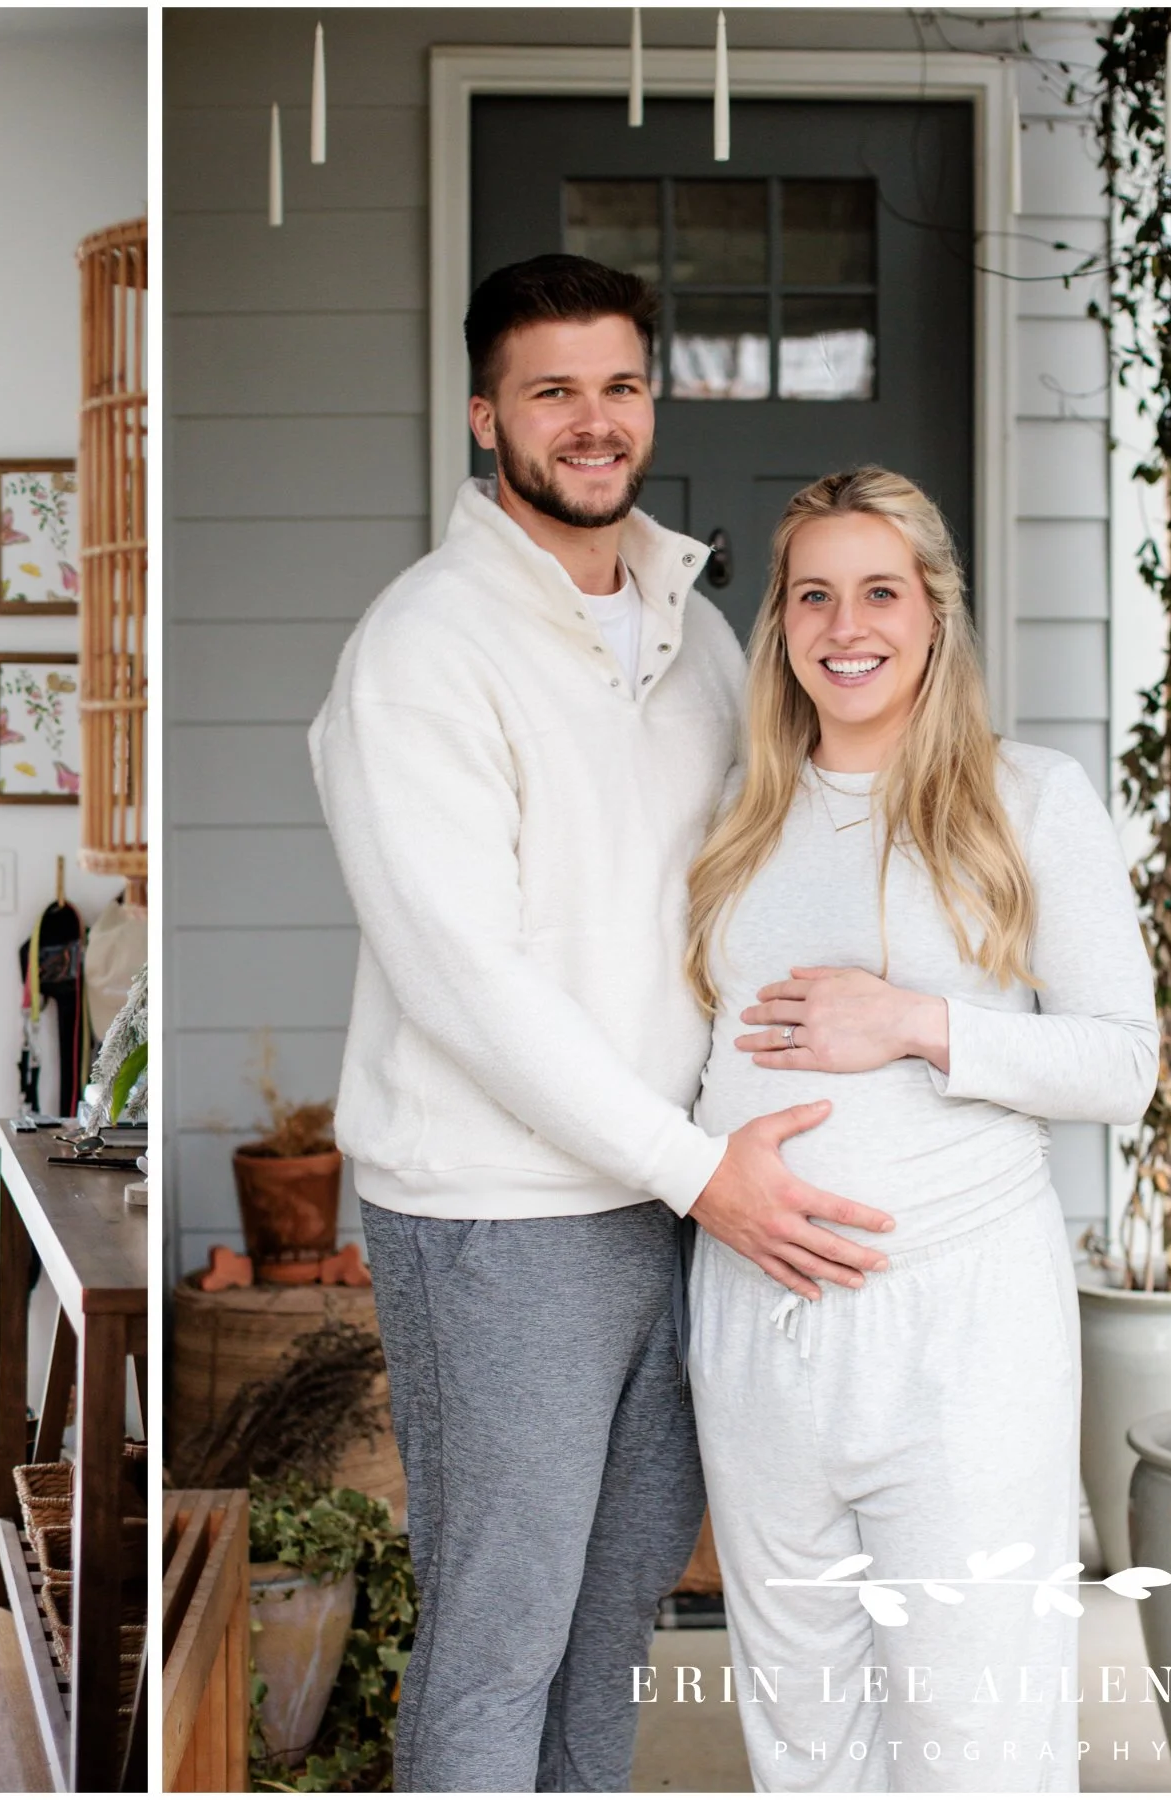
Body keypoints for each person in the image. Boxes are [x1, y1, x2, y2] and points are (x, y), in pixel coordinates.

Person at [309, 253, 896, 1793]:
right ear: (483, 414)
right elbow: (466, 979)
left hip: (678, 1202)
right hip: (504, 1221)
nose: (593, 421)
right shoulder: (424, 649)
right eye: (552, 390)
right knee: (499, 1640)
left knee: (617, 1622)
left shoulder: (694, 630)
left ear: (652, 400)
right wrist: (702, 1171)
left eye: (619, 386)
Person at [682, 469, 1155, 1790]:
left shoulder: (1027, 800)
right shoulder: (733, 818)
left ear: (935, 612)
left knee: (973, 1734)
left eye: (880, 589)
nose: (848, 625)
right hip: (759, 1327)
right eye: (813, 594)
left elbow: (1126, 1064)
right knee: (804, 1732)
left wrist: (918, 1024)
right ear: (778, 624)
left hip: (959, 1332)